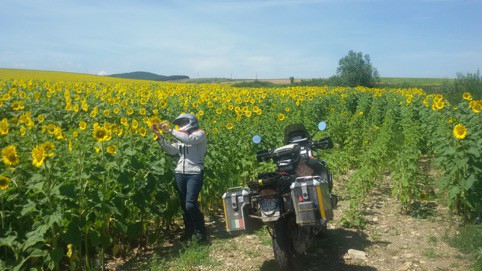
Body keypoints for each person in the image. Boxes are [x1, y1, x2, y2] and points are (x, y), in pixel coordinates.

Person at [150, 113, 208, 243]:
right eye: (179, 123)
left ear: (191, 121)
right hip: (180, 173)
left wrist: (170, 130)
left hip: (194, 172)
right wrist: (159, 136)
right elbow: (172, 151)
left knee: (190, 204)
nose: (181, 125)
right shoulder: (181, 138)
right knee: (183, 204)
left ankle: (201, 231)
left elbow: (189, 140)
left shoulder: (200, 134)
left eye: (183, 122)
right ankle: (189, 230)